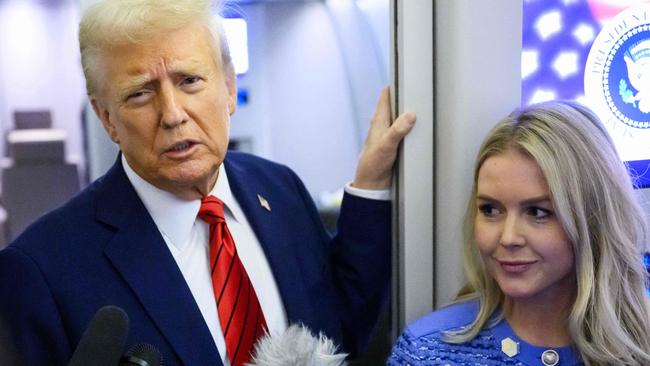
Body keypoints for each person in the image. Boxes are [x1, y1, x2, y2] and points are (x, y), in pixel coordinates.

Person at [0, 1, 416, 365]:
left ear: (229, 87)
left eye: (189, 81)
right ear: (107, 118)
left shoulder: (278, 188)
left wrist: (371, 182)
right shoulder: (42, 271)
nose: (173, 114)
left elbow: (344, 329)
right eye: (141, 94)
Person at [388, 101, 650, 365]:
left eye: (537, 212)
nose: (508, 237)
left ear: (593, 218)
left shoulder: (640, 346)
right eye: (490, 210)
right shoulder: (426, 351)